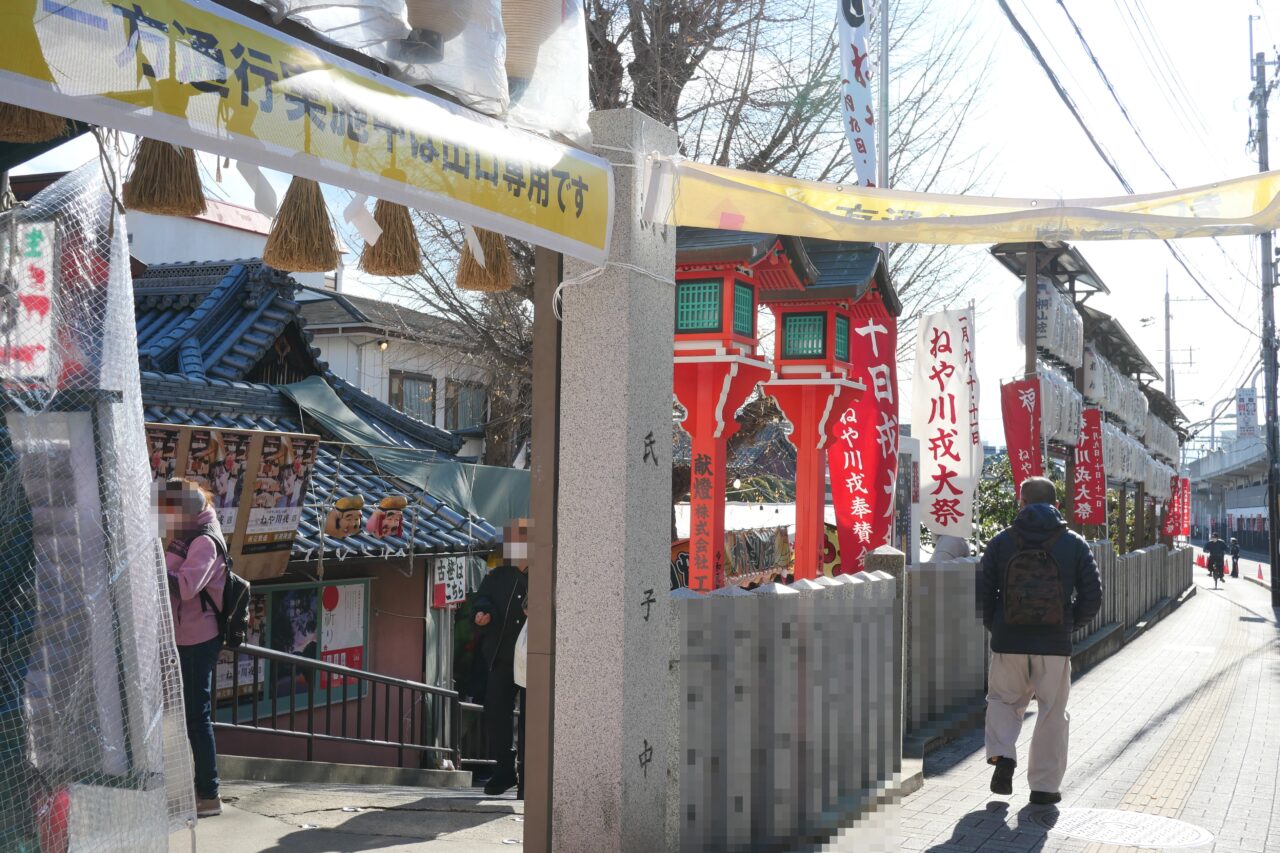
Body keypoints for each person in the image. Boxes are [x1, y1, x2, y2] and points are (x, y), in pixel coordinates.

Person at [982, 477, 1102, 806]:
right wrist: (1068, 624)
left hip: (1009, 641)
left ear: (1021, 502)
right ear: (1056, 505)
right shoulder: (1074, 543)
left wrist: (997, 625)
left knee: (1004, 701)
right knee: (1052, 712)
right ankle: (1044, 788)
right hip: (1054, 645)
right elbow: (1093, 596)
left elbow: (982, 591)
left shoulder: (1001, 542)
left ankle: (1004, 756)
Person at [158, 478, 228, 818]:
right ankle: (191, 788)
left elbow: (186, 586)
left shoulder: (204, 541)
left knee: (196, 716)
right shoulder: (187, 534)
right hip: (182, 634)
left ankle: (209, 793)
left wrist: (153, 568)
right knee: (183, 715)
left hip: (198, 638)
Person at [472, 519, 529, 796]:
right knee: (495, 713)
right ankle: (505, 770)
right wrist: (483, 614)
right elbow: (482, 599)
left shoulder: (546, 572)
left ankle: (529, 778)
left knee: (532, 720)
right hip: (501, 656)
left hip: (535, 659)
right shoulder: (497, 573)